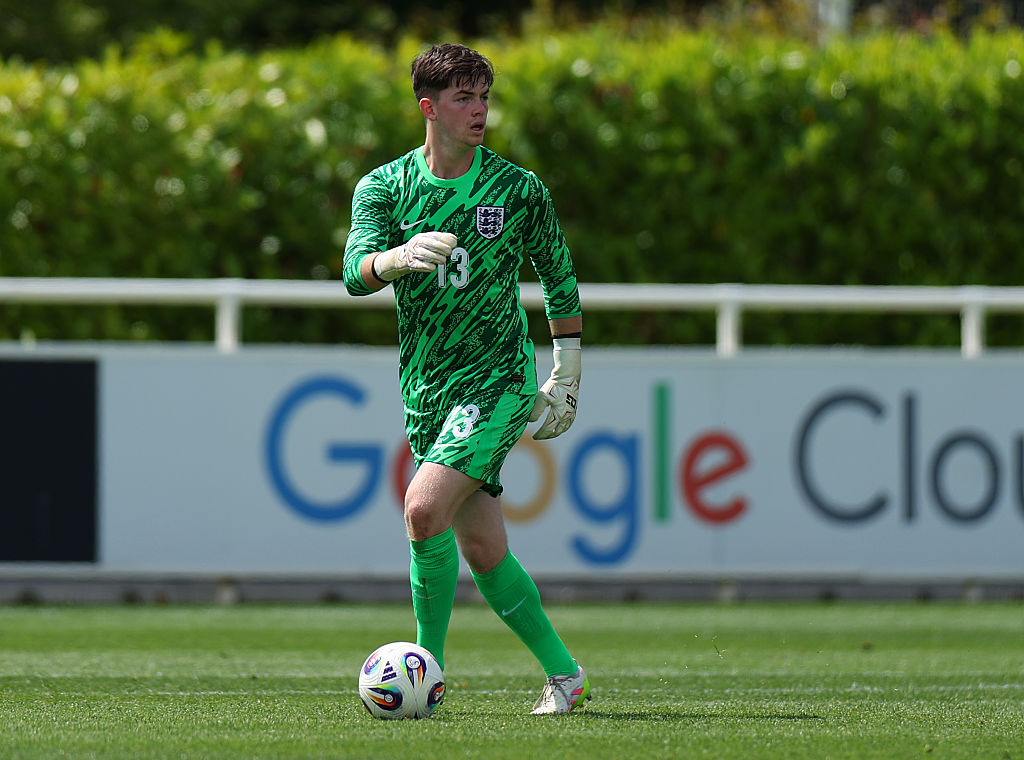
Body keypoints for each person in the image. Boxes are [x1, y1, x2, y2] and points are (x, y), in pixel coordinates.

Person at [342, 43, 589, 715]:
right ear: (429, 108)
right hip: (428, 391)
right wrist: (392, 258)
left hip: (498, 381)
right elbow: (352, 273)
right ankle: (566, 676)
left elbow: (559, 277)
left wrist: (565, 371)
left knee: (423, 511)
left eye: (484, 97)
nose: (480, 111)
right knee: (482, 547)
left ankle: (425, 672)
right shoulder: (386, 188)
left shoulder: (516, 189)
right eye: (463, 98)